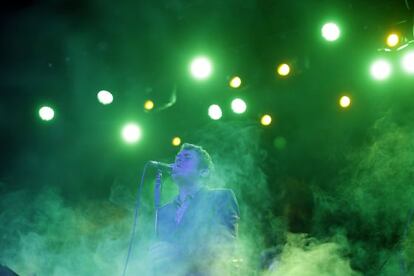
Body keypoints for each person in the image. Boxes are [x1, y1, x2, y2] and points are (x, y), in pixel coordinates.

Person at [149, 143, 240, 275]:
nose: (178, 160)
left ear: (203, 171)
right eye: (177, 158)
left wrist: (179, 253)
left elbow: (225, 246)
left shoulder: (221, 197)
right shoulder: (163, 211)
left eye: (186, 157)